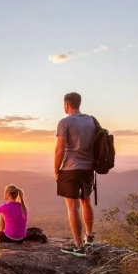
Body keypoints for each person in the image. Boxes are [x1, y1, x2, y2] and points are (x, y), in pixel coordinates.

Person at [54, 92, 96, 257]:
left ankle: (78, 246)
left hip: (71, 168)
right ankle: (89, 235)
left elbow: (60, 149)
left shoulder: (65, 122)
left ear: (66, 105)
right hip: (88, 168)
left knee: (72, 207)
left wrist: (56, 170)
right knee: (86, 201)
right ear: (79, 103)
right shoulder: (91, 120)